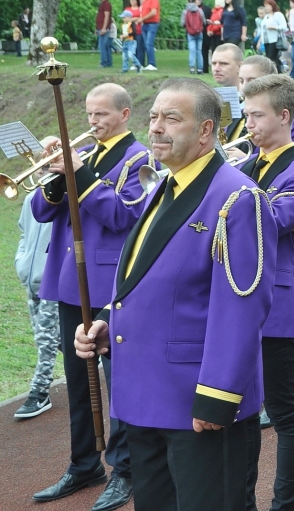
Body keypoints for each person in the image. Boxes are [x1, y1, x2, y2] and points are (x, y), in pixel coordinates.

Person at [74, 77, 277, 511]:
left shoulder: (238, 199)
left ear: (205, 130)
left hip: (197, 406)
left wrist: (217, 397)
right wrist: (109, 323)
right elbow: (147, 279)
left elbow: (241, 310)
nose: (156, 128)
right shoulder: (164, 186)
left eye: (172, 119)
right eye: (153, 117)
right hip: (146, 399)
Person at [32, 84, 152, 511]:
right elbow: (40, 211)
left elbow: (125, 214)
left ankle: (125, 469)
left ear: (124, 114)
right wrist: (54, 174)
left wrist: (79, 173)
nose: (92, 122)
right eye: (88, 114)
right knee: (78, 381)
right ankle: (84, 462)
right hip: (68, 281)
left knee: (117, 382)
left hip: (108, 286)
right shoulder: (86, 156)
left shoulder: (140, 158)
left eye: (101, 114)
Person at [240, 75, 294, 511]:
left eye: (256, 115)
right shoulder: (247, 166)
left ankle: (284, 504)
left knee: (285, 410)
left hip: (274, 305)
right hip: (234, 305)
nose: (247, 123)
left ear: (284, 116)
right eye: (246, 114)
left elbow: (269, 221)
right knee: (241, 412)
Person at [14, 149, 57, 420]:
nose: (39, 165)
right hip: (29, 281)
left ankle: (39, 392)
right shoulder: (31, 198)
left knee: (45, 340)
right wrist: (21, 261)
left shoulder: (62, 198)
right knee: (53, 338)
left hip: (51, 281)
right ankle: (97, 360)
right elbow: (22, 233)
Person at [239, 56, 294, 156]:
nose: (244, 87)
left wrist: (244, 160)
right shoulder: (241, 113)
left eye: (251, 81)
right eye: (241, 81)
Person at [211, 43, 248, 143]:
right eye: (214, 63)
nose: (216, 68)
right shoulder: (209, 98)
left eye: (223, 63)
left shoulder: (250, 101)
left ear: (239, 66)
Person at [260, 0, 288, 74]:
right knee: (271, 58)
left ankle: (276, 73)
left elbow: (284, 26)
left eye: (267, 6)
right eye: (265, 6)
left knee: (271, 58)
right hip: (266, 40)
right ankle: (278, 73)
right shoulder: (266, 16)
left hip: (274, 39)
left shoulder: (277, 15)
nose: (266, 7)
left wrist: (275, 27)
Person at [181, 0, 206, 75]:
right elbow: (204, 22)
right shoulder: (200, 10)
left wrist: (188, 26)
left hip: (190, 33)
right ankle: (200, 69)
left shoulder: (185, 11)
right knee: (199, 51)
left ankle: (192, 68)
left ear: (187, 1)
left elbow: (182, 23)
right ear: (196, 1)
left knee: (192, 51)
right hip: (199, 33)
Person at [139, 0, 160, 70]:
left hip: (152, 23)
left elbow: (153, 12)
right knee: (145, 44)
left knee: (149, 43)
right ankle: (148, 63)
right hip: (145, 24)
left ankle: (152, 63)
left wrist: (142, 18)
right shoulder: (145, 1)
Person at [195, 0, 214, 74]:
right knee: (199, 50)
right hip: (198, 31)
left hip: (205, 32)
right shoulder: (194, 9)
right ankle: (201, 67)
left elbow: (211, 20)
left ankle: (205, 68)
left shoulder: (206, 9)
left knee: (204, 50)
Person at [97, 0, 113, 68]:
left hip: (104, 28)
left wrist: (104, 28)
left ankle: (104, 62)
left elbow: (107, 16)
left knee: (102, 45)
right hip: (100, 27)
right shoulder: (102, 4)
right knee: (105, 46)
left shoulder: (106, 4)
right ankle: (109, 62)